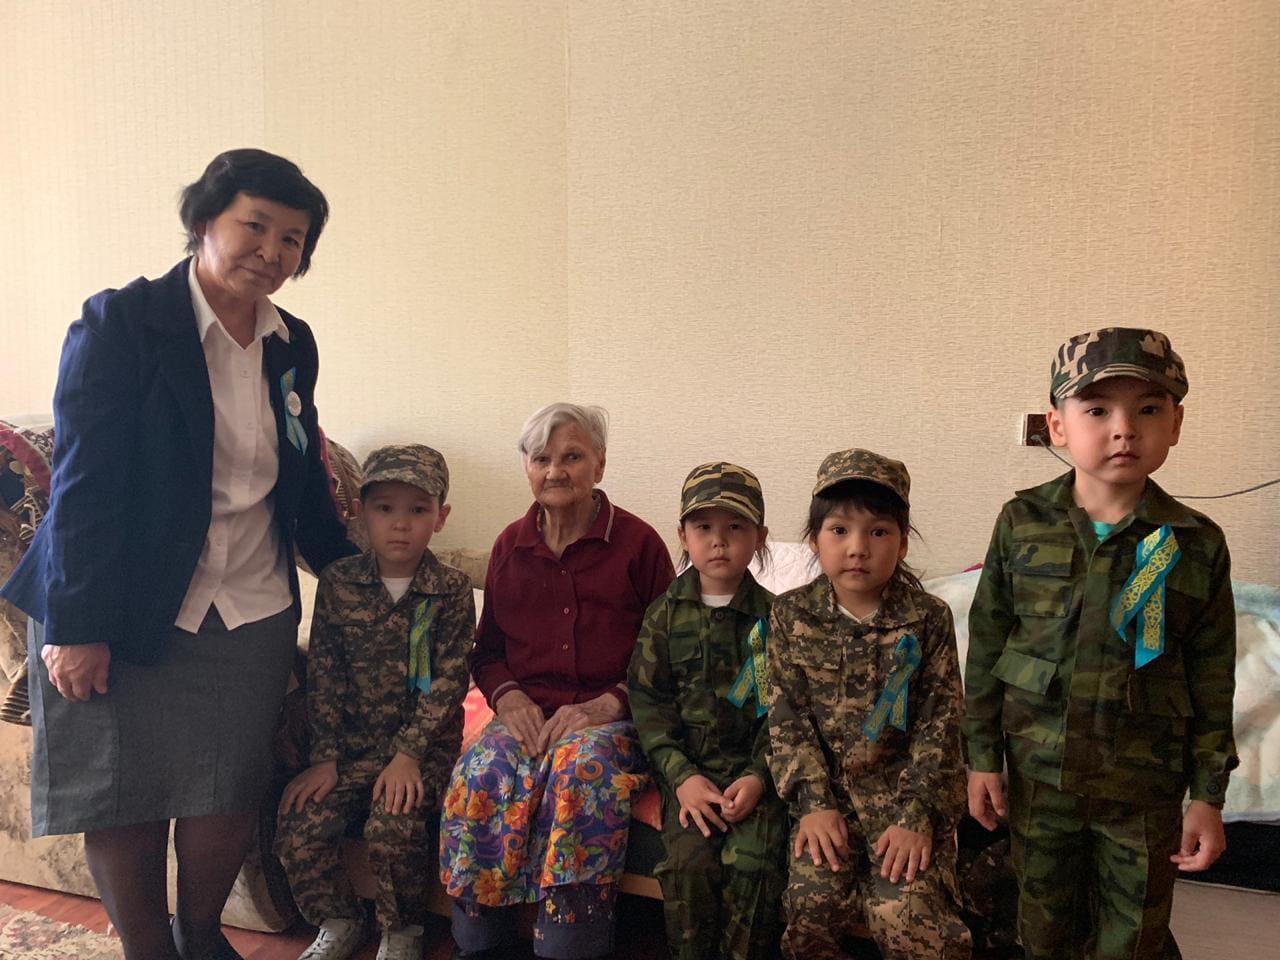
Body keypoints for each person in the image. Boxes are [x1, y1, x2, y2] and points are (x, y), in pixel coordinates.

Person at [0, 148, 358, 960]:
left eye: (293, 239)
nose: (272, 250)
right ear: (202, 222)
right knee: (121, 794)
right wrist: (80, 626)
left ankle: (201, 938)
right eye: (255, 225)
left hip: (251, 605)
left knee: (225, 789)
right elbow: (86, 483)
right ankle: (146, 948)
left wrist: (351, 572)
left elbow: (301, 475)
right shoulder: (122, 324)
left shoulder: (290, 343)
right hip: (122, 603)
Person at [964, 328, 1237, 960]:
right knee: (1043, 928)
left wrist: (1207, 796)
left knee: (1134, 935)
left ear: (1176, 424)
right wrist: (981, 757)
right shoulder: (1020, 522)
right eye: (1096, 410)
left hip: (1143, 788)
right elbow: (986, 646)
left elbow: (1213, 673)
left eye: (1149, 409)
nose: (1124, 430)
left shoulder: (1197, 542)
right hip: (1040, 777)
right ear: (1057, 426)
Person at [439, 402, 674, 960]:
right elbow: (487, 653)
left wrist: (608, 705)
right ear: (526, 466)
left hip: (613, 717)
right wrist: (509, 699)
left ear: (600, 463)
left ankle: (570, 944)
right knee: (482, 769)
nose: (555, 471)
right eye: (541, 459)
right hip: (528, 710)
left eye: (572, 457)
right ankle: (481, 941)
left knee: (579, 772)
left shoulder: (639, 544)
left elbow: (666, 656)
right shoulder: (509, 546)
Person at [767, 449, 972, 960]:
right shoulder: (790, 615)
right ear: (814, 540)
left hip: (904, 805)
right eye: (839, 530)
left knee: (904, 915)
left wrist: (918, 816)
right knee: (811, 908)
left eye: (878, 532)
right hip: (827, 805)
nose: (858, 548)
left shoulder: (927, 619)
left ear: (902, 543)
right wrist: (814, 805)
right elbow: (786, 720)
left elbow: (942, 726)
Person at [276, 445, 474, 960]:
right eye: (385, 508)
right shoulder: (340, 583)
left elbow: (449, 681)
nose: (400, 524)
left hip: (422, 754)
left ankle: (402, 930)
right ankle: (339, 919)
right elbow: (324, 675)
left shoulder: (451, 590)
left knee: (393, 826)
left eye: (417, 510)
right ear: (362, 514)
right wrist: (323, 759)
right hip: (349, 750)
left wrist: (409, 755)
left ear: (440, 517)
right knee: (300, 821)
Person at [628, 462, 788, 960]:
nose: (719, 541)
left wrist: (759, 777)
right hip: (689, 777)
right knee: (688, 867)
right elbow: (649, 706)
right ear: (683, 535)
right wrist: (682, 778)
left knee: (755, 865)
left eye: (735, 527)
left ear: (760, 537)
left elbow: (787, 713)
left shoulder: (778, 620)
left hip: (756, 778)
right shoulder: (662, 616)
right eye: (703, 527)